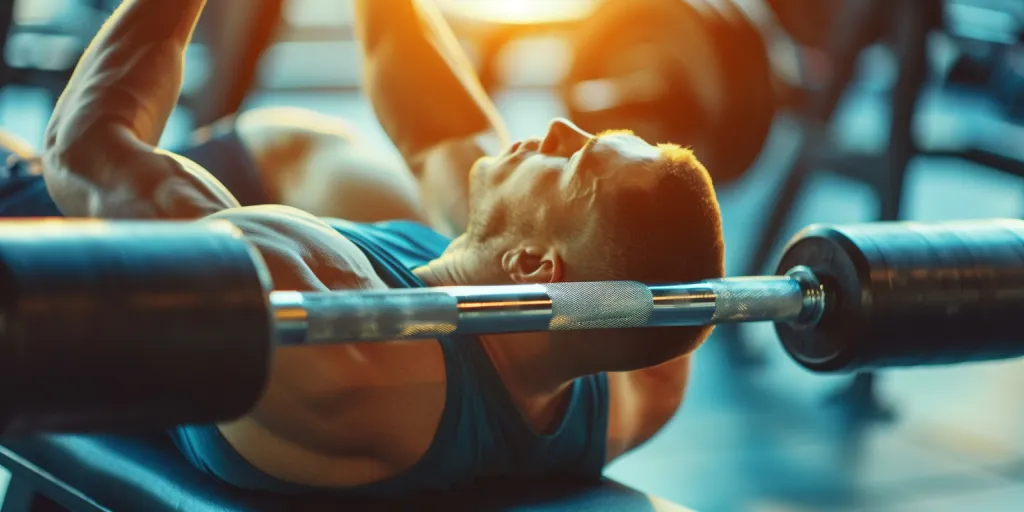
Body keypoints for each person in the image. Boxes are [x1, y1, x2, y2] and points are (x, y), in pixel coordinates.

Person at [23, 0, 725, 496]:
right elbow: (436, 127)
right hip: (257, 175)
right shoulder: (634, 367)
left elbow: (86, 148)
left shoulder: (335, 345)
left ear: (535, 267)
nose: (562, 127)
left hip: (53, 230)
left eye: (576, 162)